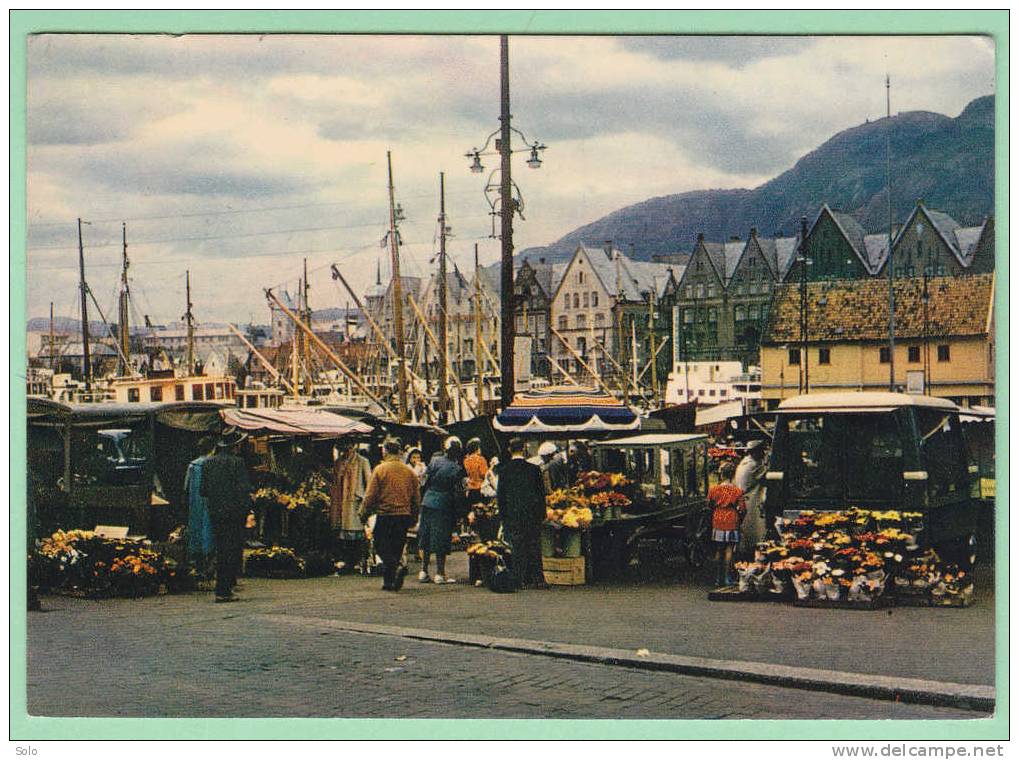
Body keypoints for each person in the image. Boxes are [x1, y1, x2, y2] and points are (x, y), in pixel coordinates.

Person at [199, 427, 253, 603]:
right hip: (235, 513)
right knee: (232, 549)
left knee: (221, 548)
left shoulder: (207, 463)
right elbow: (244, 490)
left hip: (215, 512)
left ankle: (223, 587)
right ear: (235, 446)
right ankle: (225, 589)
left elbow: (203, 491)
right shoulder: (237, 463)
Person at [360, 438, 421, 591]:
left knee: (381, 545)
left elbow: (370, 495)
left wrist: (363, 512)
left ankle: (395, 567)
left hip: (386, 514)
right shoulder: (409, 472)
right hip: (404, 515)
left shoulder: (380, 470)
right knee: (396, 547)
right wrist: (414, 516)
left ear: (385, 451)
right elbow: (416, 498)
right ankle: (389, 581)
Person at [497, 438, 548, 589]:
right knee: (534, 545)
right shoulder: (534, 469)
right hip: (532, 514)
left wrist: (503, 516)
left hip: (513, 514)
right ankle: (538, 578)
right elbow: (541, 494)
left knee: (517, 547)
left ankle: (519, 579)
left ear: (509, 450)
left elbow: (501, 496)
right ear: (524, 449)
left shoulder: (504, 470)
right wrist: (542, 513)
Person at [418, 436, 466, 584]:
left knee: (425, 536)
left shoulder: (434, 461)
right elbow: (459, 491)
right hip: (444, 504)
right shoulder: (457, 469)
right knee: (441, 538)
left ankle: (423, 571)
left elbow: (424, 481)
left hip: (427, 501)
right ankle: (440, 573)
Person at [329, 442, 372, 574]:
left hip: (355, 500)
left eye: (349, 447)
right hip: (341, 500)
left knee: (357, 532)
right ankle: (348, 561)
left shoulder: (362, 461)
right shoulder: (338, 462)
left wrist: (365, 499)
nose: (346, 450)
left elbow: (369, 481)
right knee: (344, 532)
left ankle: (358, 561)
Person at [183, 435, 217, 579]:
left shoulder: (193, 465)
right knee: (209, 529)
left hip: (195, 503)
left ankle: (198, 565)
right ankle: (209, 563)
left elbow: (186, 486)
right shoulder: (214, 464)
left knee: (196, 528)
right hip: (211, 502)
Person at [709, 460, 746, 587]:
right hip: (731, 518)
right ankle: (727, 577)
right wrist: (740, 519)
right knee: (730, 549)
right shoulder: (737, 491)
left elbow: (709, 505)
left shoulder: (714, 490)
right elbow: (742, 509)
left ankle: (718, 578)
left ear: (721, 475)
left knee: (719, 549)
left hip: (718, 518)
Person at [735, 440, 769, 557]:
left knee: (748, 527)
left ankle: (747, 550)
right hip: (750, 499)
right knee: (754, 527)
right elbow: (766, 475)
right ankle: (751, 552)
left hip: (745, 497)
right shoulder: (752, 465)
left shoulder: (744, 463)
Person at [463, 438, 488, 508]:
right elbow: (484, 474)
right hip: (480, 489)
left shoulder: (466, 460)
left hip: (470, 490)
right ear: (476, 448)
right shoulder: (481, 459)